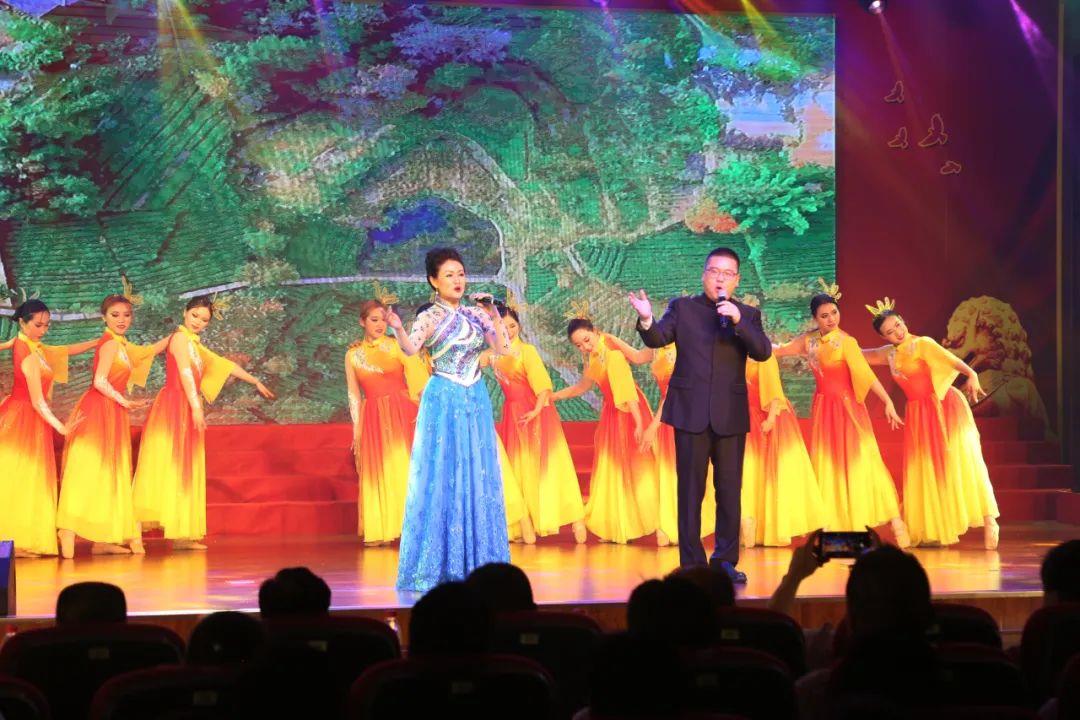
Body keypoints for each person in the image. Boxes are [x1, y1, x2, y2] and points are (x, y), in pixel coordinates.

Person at [630, 247, 772, 581]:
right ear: (704, 274)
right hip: (690, 412)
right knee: (690, 491)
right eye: (714, 271)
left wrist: (737, 321)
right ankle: (692, 562)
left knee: (729, 491)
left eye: (727, 273)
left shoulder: (747, 314)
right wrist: (647, 318)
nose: (720, 278)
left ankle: (725, 560)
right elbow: (658, 337)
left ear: (736, 280)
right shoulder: (683, 308)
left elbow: (763, 351)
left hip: (730, 415)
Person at [386, 248, 514, 592]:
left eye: (460, 274)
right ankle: (440, 563)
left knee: (478, 473)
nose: (457, 280)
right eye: (449, 275)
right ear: (433, 281)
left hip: (475, 397)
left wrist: (493, 313)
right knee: (442, 473)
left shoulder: (476, 314)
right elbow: (410, 349)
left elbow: (503, 348)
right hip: (443, 397)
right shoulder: (430, 316)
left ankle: (480, 563)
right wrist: (397, 328)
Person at [132, 296, 275, 550]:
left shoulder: (194, 343)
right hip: (174, 405)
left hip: (187, 405)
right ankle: (134, 533)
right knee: (162, 464)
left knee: (184, 468)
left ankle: (181, 533)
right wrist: (197, 407)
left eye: (204, 320)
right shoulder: (179, 338)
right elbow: (185, 373)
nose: (198, 322)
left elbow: (223, 364)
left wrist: (254, 381)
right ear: (185, 313)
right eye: (195, 315)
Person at [773, 291, 910, 546]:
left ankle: (896, 522)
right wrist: (750, 344)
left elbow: (866, 375)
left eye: (834, 313)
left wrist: (888, 401)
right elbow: (780, 351)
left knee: (865, 462)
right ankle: (828, 526)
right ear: (815, 318)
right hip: (825, 410)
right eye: (824, 316)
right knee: (827, 465)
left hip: (848, 410)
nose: (831, 319)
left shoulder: (846, 342)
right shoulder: (808, 341)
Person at [863, 301, 1001, 549]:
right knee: (925, 468)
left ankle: (989, 519)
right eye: (890, 332)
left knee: (962, 462)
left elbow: (954, 361)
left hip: (942, 406)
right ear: (883, 337)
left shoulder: (922, 344)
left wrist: (972, 375)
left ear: (903, 320)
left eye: (898, 325)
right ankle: (934, 527)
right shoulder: (889, 353)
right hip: (919, 413)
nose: (898, 332)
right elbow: (859, 355)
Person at [57, 294, 169, 559]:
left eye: (126, 315)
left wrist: (179, 334)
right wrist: (124, 401)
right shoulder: (109, 344)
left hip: (113, 411)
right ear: (104, 317)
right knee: (88, 469)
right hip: (98, 410)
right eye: (115, 315)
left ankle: (103, 538)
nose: (122, 320)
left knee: (110, 474)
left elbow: (149, 351)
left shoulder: (123, 345)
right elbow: (99, 380)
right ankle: (68, 528)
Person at [482, 304, 586, 543]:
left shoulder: (526, 351)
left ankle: (576, 520)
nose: (509, 331)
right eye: (503, 327)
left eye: (512, 325)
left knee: (551, 465)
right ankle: (526, 522)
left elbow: (543, 386)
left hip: (536, 412)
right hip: (513, 415)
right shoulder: (493, 355)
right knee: (520, 468)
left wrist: (536, 411)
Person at [550, 317, 659, 544]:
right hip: (612, 413)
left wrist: (639, 422)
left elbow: (631, 375)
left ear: (595, 331)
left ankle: (654, 520)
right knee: (613, 469)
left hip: (630, 410)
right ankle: (618, 526)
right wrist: (554, 396)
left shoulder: (611, 347)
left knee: (638, 466)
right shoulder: (591, 356)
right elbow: (582, 386)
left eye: (586, 340)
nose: (585, 347)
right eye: (579, 345)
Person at [0, 300, 97, 557]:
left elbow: (63, 350)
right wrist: (61, 428)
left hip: (31, 419)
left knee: (29, 479)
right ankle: (12, 540)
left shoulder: (31, 345)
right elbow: (37, 401)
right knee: (18, 477)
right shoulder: (28, 354)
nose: (43, 330)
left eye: (46, 325)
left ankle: (19, 539)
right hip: (22, 418)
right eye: (38, 325)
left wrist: (96, 343)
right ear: (23, 323)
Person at [346, 298, 429, 545]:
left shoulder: (395, 346)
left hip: (402, 412)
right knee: (379, 470)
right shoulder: (352, 355)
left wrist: (424, 409)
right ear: (362, 322)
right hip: (372, 417)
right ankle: (384, 527)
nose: (380, 325)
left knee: (403, 467)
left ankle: (413, 527)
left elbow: (418, 376)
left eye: (383, 320)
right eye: (374, 320)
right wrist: (357, 429)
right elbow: (353, 394)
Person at [741, 352, 827, 547]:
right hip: (749, 416)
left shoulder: (764, 357)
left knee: (777, 473)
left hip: (771, 416)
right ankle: (751, 524)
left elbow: (774, 391)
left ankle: (776, 528)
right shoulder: (736, 358)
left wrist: (771, 419)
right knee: (751, 472)